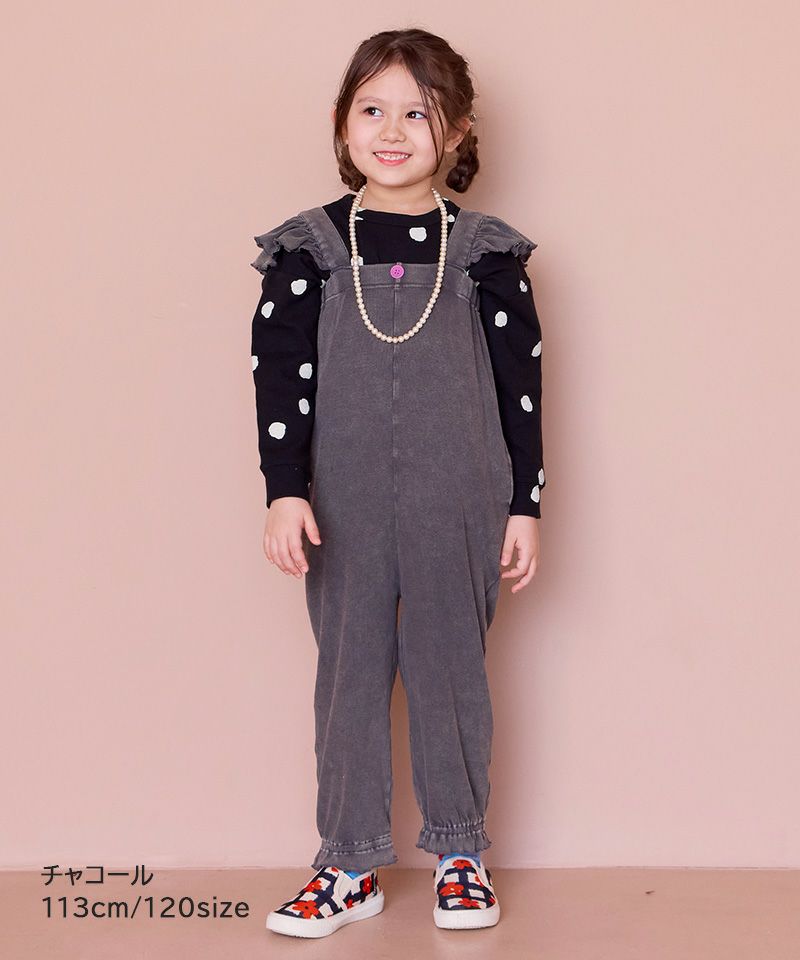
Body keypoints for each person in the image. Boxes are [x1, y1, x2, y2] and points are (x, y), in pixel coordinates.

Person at [251, 27, 546, 938]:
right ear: (342, 123)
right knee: (349, 674)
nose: (392, 131)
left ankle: (460, 852)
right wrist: (284, 489)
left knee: (450, 670)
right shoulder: (307, 249)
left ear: (456, 131)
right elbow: (280, 374)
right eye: (372, 109)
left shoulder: (485, 253)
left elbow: (521, 385)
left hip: (459, 495)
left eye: (417, 114)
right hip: (340, 503)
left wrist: (524, 503)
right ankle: (348, 864)